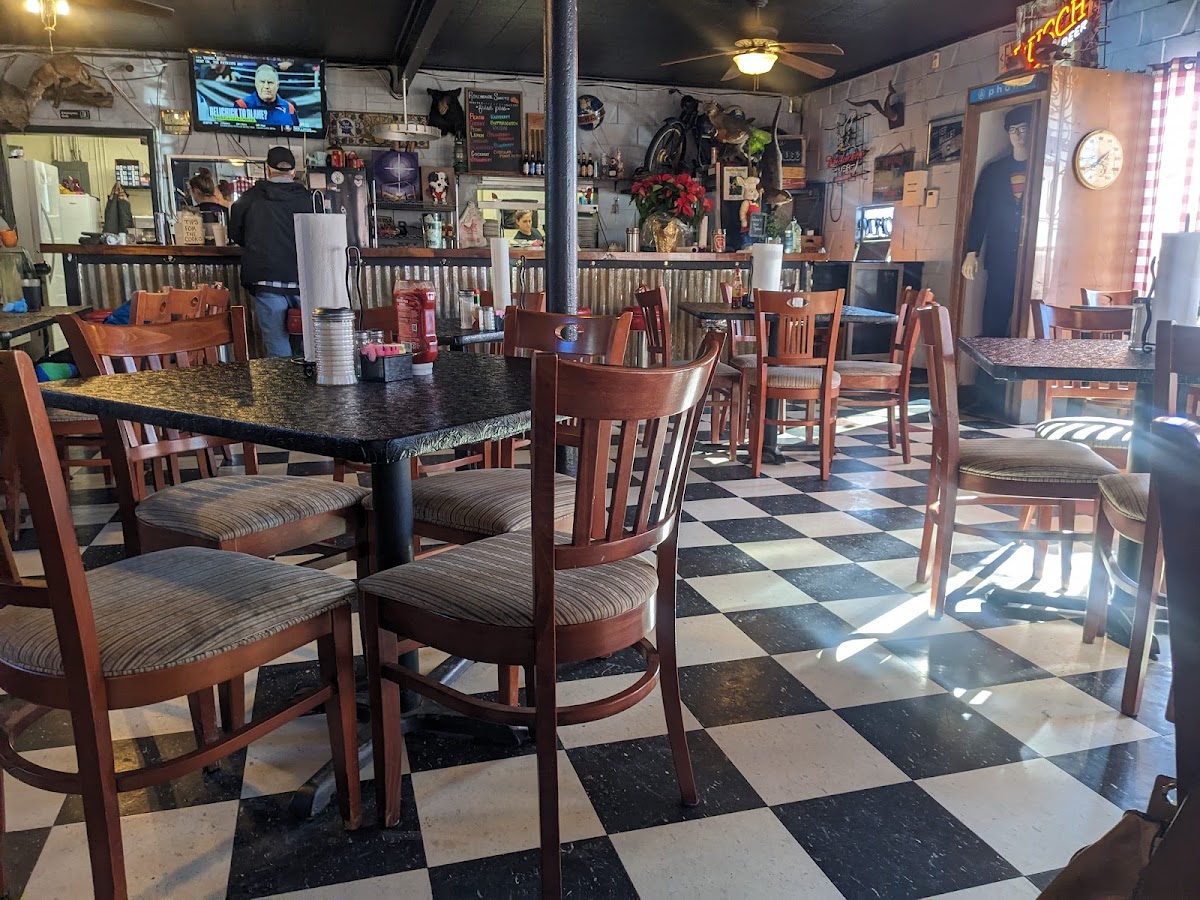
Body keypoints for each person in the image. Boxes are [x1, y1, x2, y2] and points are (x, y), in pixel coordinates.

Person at [228, 146, 313, 357]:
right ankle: (308, 389)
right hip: (304, 281)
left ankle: (282, 389)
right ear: (294, 171)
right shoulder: (312, 199)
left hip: (266, 279)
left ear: (267, 169)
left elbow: (236, 235)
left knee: (277, 348)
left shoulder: (248, 199)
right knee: (309, 348)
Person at [962, 105, 1032, 338]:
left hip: (1033, 259)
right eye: (1013, 130)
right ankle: (988, 374)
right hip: (1000, 255)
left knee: (1027, 324)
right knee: (994, 319)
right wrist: (972, 251)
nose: (1019, 135)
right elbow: (980, 213)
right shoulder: (994, 172)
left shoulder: (1043, 170)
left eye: (1023, 128)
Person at [235, 64, 300, 128]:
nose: (266, 86)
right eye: (262, 82)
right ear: (256, 84)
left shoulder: (289, 108)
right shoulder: (242, 105)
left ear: (277, 85)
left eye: (270, 82)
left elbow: (298, 136)